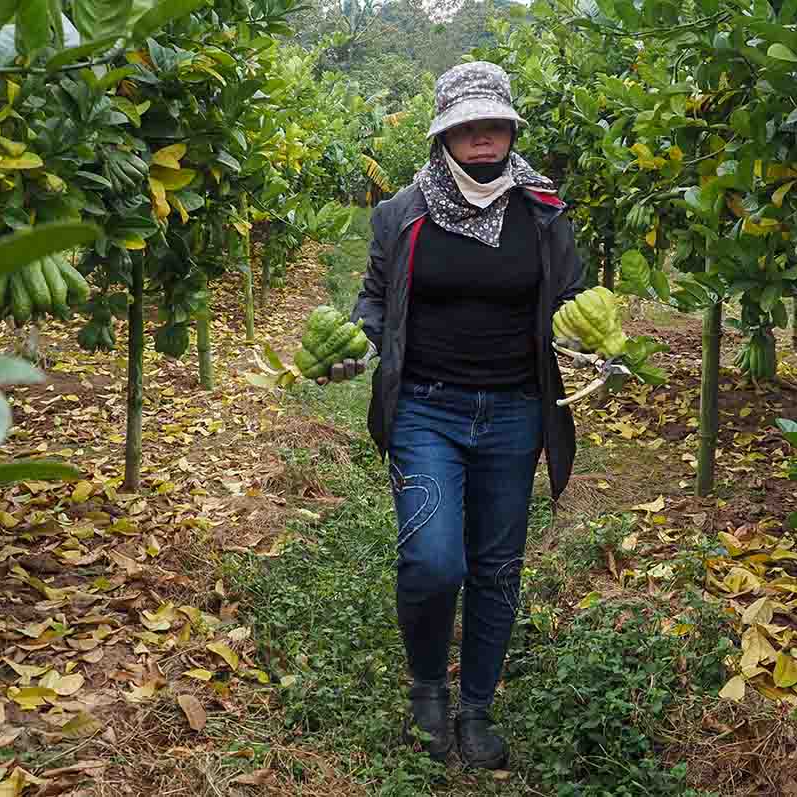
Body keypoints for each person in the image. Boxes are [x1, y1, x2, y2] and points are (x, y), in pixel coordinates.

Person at [320, 61, 583, 769]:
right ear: (443, 135)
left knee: (496, 567)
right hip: (426, 408)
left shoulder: (544, 212)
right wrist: (354, 344)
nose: (481, 140)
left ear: (509, 129)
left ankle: (475, 709)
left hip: (513, 410)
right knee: (434, 561)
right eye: (466, 128)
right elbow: (373, 300)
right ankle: (428, 686)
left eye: (492, 125)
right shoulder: (399, 213)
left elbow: (572, 299)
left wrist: (595, 343)